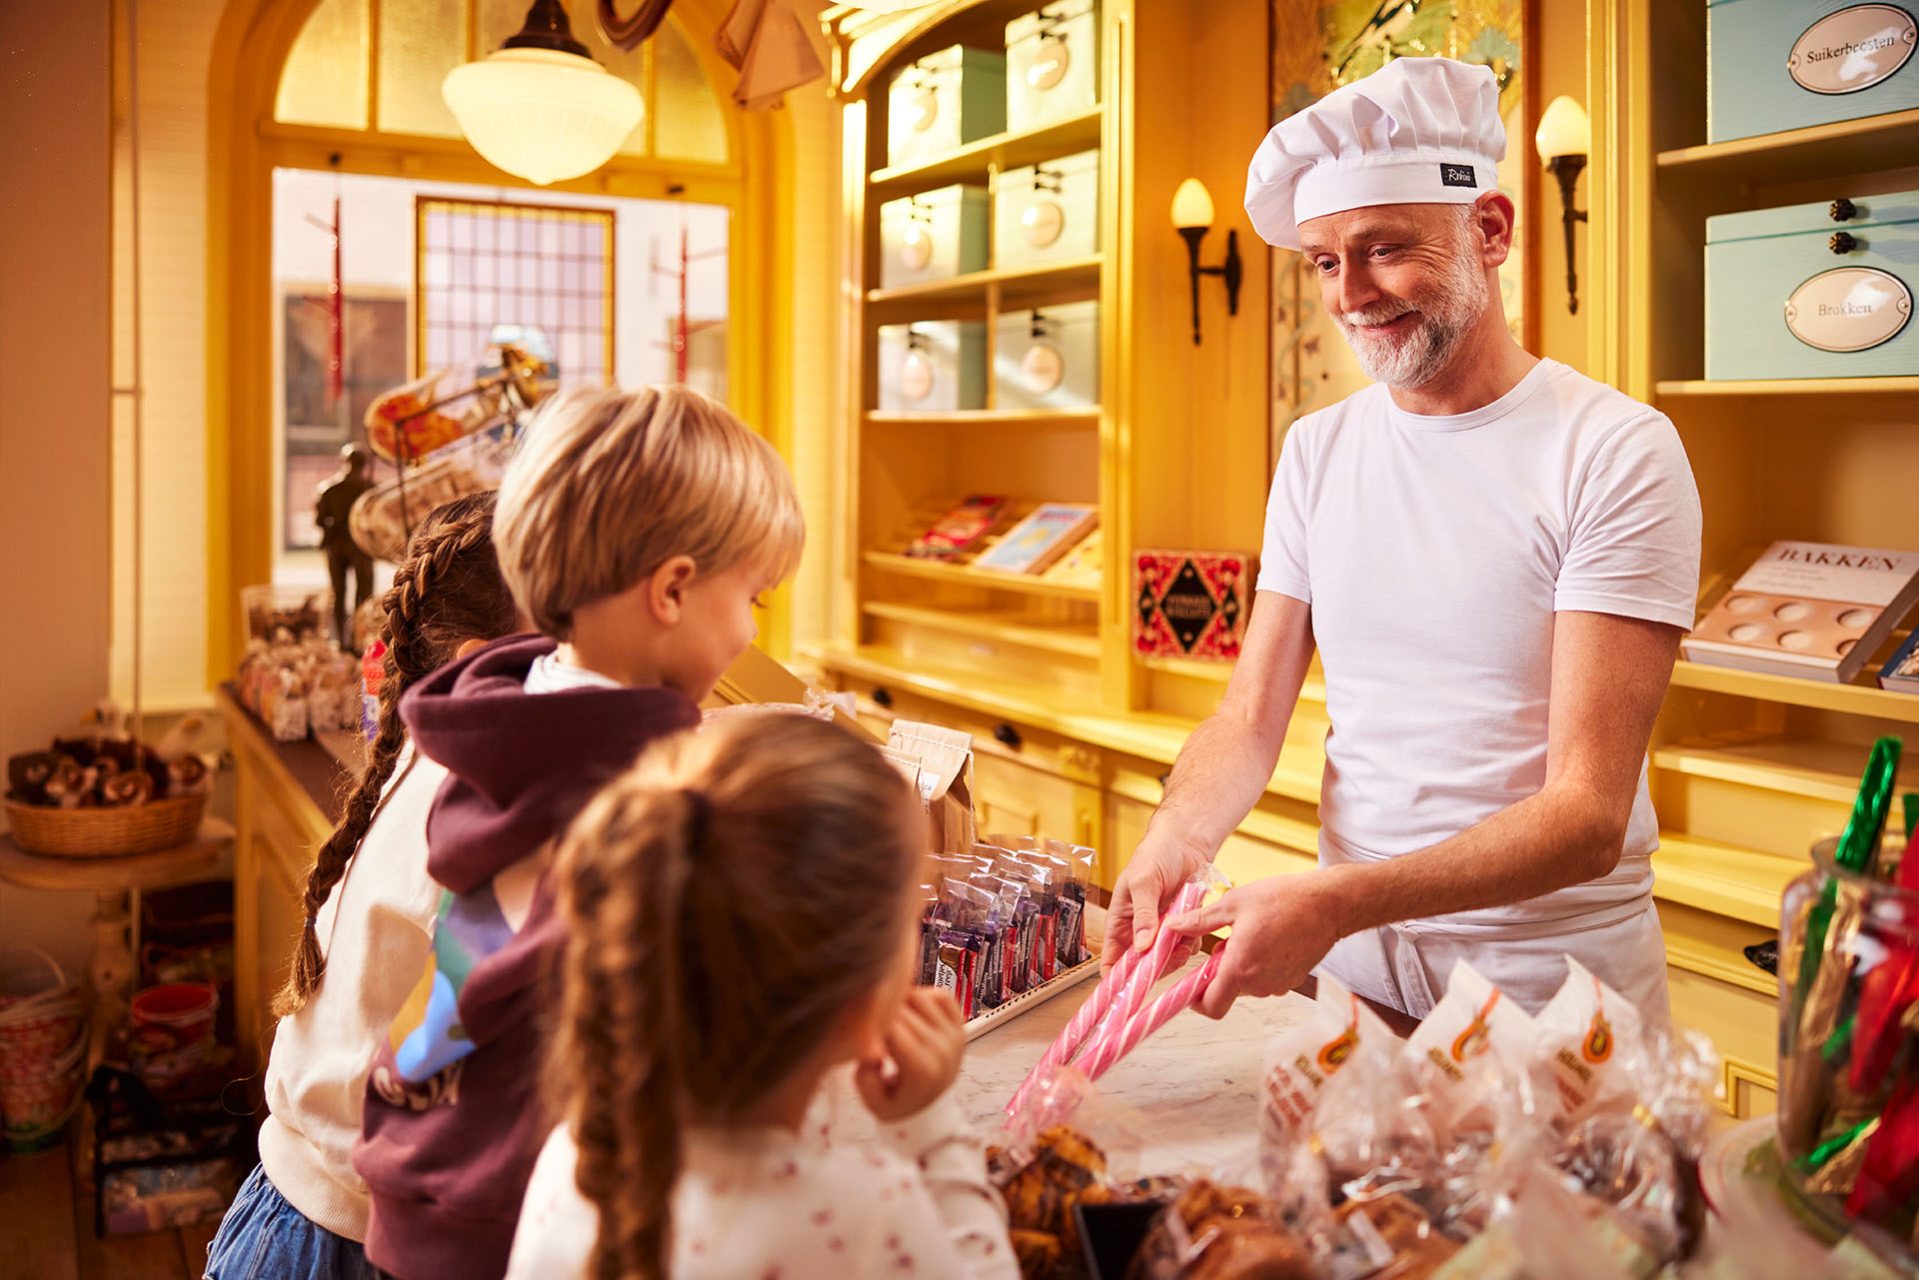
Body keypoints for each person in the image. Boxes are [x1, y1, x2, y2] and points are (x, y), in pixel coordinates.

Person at [1105, 57, 1702, 1024]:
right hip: (1361, 965)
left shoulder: (1615, 450)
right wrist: (1178, 834)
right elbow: (1248, 720)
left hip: (1543, 984)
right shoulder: (1318, 450)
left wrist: (1336, 897)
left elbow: (1586, 817)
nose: (1349, 295)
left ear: (1490, 230)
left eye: (1384, 248)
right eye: (1325, 261)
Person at [351, 384, 805, 1280]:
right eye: (752, 596)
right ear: (674, 589)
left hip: (425, 1168)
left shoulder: (514, 726)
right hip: (518, 1217)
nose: (751, 629)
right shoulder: (636, 795)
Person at [505, 714, 1018, 1280]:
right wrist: (929, 1126)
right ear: (859, 994)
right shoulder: (864, 1216)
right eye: (910, 917)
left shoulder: (574, 1161)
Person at [204, 491, 522, 1280]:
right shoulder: (476, 802)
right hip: (341, 1241)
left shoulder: (424, 754)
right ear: (488, 660)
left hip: (288, 1211)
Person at [315, 443, 375, 647]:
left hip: (343, 545)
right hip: (357, 546)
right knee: (360, 595)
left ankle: (344, 639)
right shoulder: (370, 489)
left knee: (341, 593)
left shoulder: (330, 489)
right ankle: (356, 639)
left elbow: (319, 519)